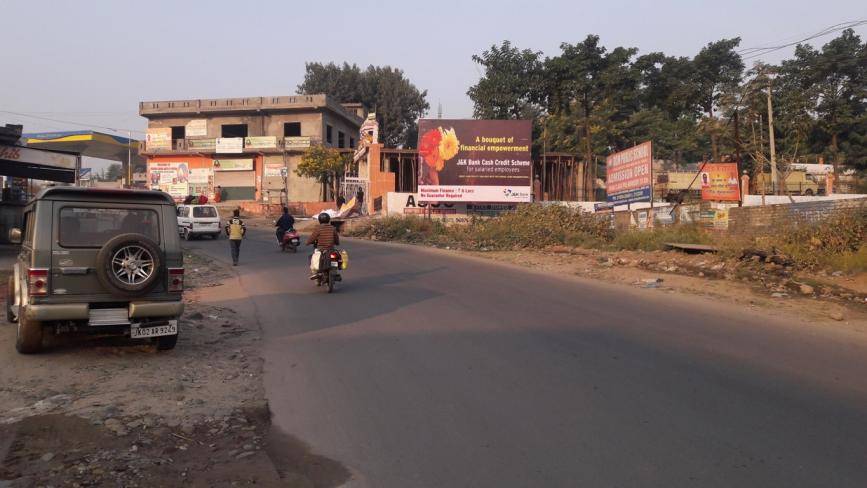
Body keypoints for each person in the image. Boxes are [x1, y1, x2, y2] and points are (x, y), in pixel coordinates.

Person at [306, 213, 340, 278]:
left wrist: (308, 242)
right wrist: (337, 243)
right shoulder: (333, 228)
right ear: (328, 219)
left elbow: (312, 238)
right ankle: (335, 271)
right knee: (336, 258)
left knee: (312, 257)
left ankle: (316, 273)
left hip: (321, 249)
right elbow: (336, 238)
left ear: (319, 220)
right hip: (331, 249)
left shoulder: (318, 228)